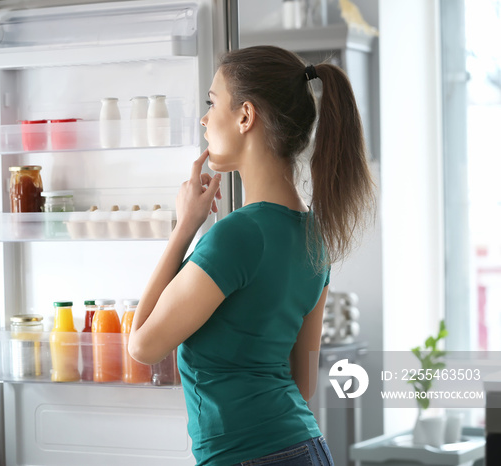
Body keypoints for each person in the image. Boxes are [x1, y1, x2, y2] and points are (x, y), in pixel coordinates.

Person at [128, 45, 375, 466]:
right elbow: (302, 382)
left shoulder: (238, 236)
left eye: (212, 103)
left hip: (250, 456)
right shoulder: (316, 235)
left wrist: (186, 225)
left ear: (245, 116)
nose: (205, 119)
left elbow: (143, 346)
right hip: (308, 449)